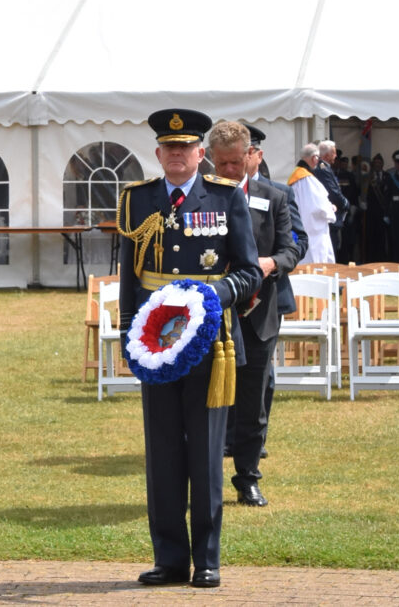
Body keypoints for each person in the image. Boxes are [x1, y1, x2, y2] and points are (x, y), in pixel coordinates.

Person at [117, 109, 260, 589]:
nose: (177, 155)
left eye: (185, 148)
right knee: (162, 455)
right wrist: (128, 336)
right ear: (158, 154)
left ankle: (208, 559)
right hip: (156, 344)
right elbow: (130, 276)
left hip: (209, 344)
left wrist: (214, 294)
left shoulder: (225, 197)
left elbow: (249, 271)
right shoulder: (137, 200)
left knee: (204, 455)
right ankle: (170, 559)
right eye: (169, 148)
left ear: (201, 153)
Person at [208, 122, 299, 508]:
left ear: (250, 156)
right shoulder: (202, 197)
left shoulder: (274, 197)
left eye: (235, 162)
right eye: (221, 163)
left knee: (253, 401)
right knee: (206, 399)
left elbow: (291, 249)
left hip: (260, 313)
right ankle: (204, 476)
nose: (229, 170)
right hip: (213, 314)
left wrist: (270, 263)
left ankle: (247, 478)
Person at [239, 123, 308, 461]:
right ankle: (228, 437)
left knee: (261, 373)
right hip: (230, 297)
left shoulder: (277, 193)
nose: (241, 159)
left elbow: (298, 241)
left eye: (246, 152)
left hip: (268, 295)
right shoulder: (218, 192)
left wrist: (273, 262)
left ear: (257, 155)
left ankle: (255, 439)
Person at [288, 144, 336, 264]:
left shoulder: (296, 175)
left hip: (301, 224)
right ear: (314, 158)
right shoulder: (307, 180)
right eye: (318, 158)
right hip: (313, 230)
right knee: (315, 263)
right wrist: (331, 209)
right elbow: (320, 207)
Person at [313, 140, 349, 260]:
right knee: (331, 249)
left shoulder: (324, 167)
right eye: (334, 153)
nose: (336, 156)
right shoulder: (323, 169)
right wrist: (345, 203)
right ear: (327, 155)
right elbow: (333, 192)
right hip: (330, 215)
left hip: (331, 215)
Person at [363, 153, 389, 262]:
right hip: (370, 212)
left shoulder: (387, 176)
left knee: (382, 237)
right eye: (376, 163)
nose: (378, 164)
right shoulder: (368, 177)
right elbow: (363, 191)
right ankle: (370, 260)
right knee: (370, 236)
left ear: (383, 164)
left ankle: (381, 259)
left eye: (379, 162)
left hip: (383, 212)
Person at [334, 154, 359, 263]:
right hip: (333, 211)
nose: (336, 162)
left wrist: (353, 206)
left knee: (347, 238)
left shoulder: (348, 175)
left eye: (338, 160)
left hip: (345, 211)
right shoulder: (328, 174)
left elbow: (354, 192)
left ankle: (346, 259)